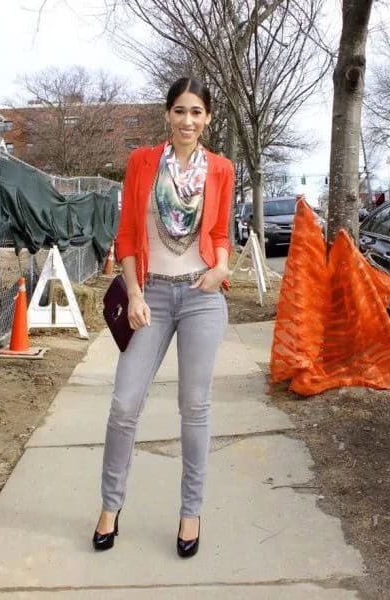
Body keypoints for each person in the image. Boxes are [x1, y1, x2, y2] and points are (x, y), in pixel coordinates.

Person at [93, 77, 234, 558]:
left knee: (194, 408)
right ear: (167, 115)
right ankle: (111, 507)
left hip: (200, 296)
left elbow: (219, 231)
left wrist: (221, 267)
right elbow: (129, 232)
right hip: (149, 294)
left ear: (208, 117)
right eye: (179, 111)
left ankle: (190, 512)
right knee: (124, 404)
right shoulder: (142, 163)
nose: (187, 120)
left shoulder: (221, 168)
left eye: (196, 112)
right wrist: (132, 293)